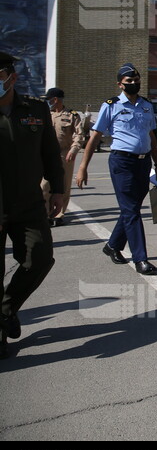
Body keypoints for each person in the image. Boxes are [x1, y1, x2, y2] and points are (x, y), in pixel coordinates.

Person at [0, 52, 63, 359]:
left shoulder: (35, 109)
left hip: (28, 203)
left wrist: (58, 191)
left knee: (40, 258)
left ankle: (7, 308)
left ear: (12, 77)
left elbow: (51, 154)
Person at [76, 64, 157, 275]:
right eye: (129, 81)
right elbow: (95, 136)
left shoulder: (146, 105)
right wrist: (83, 167)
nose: (134, 84)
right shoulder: (111, 105)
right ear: (120, 84)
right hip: (121, 162)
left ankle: (112, 245)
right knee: (132, 211)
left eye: (136, 80)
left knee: (130, 208)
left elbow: (151, 136)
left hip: (143, 163)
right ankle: (140, 259)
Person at [40, 87, 84, 227]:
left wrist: (74, 149)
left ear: (56, 99)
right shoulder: (46, 114)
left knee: (63, 186)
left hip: (65, 154)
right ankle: (46, 214)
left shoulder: (72, 115)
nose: (48, 102)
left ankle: (59, 215)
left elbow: (79, 135)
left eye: (49, 100)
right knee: (44, 186)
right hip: (46, 154)